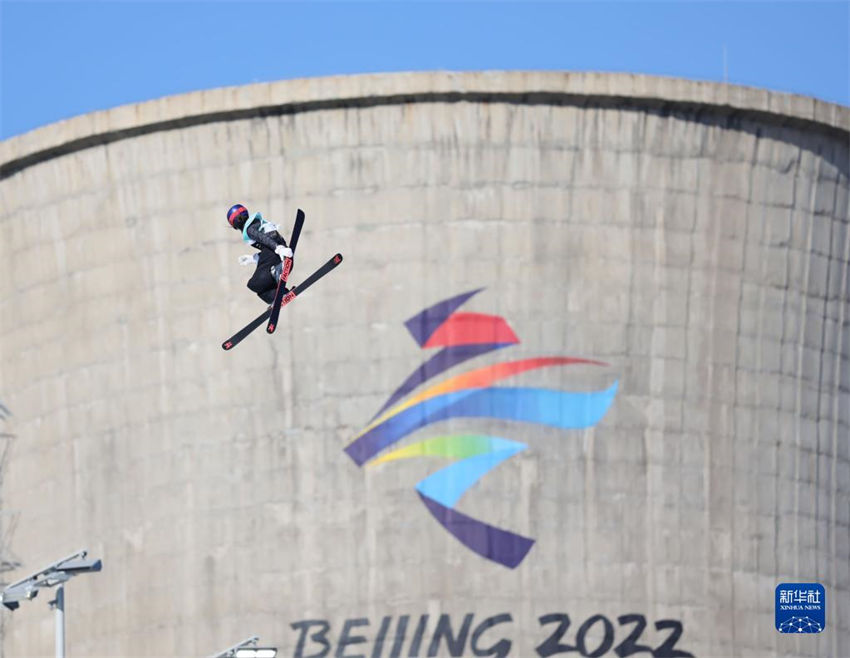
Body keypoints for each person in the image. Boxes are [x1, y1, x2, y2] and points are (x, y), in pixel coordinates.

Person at [226, 203, 293, 304]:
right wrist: (253, 258)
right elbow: (270, 242)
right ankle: (281, 294)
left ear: (235, 225)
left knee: (253, 284)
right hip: (278, 254)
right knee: (259, 287)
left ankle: (276, 271)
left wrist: (279, 249)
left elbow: (264, 238)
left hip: (276, 255)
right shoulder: (257, 223)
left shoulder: (249, 229)